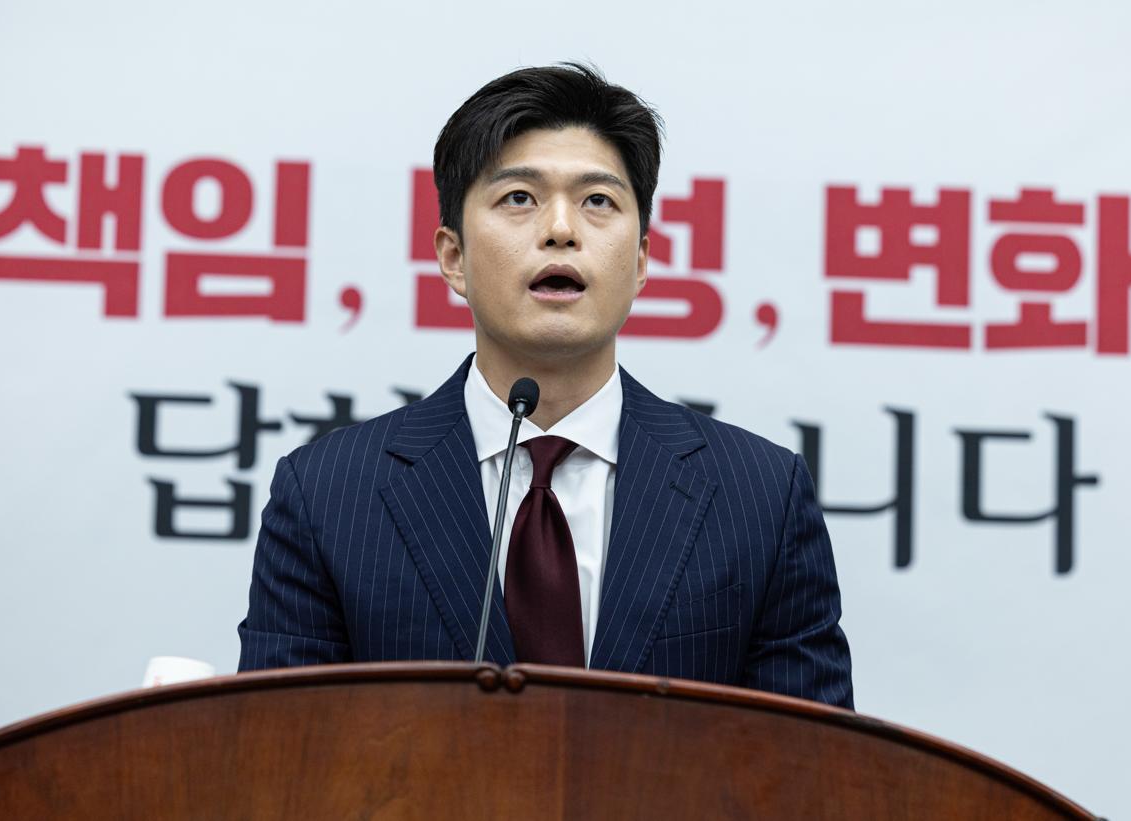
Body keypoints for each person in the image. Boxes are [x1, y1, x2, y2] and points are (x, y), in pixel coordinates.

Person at [238, 63, 853, 708]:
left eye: (598, 201)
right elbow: (281, 745)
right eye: (519, 198)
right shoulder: (328, 494)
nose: (561, 229)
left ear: (641, 260)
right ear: (453, 257)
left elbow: (811, 755)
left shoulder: (759, 496)